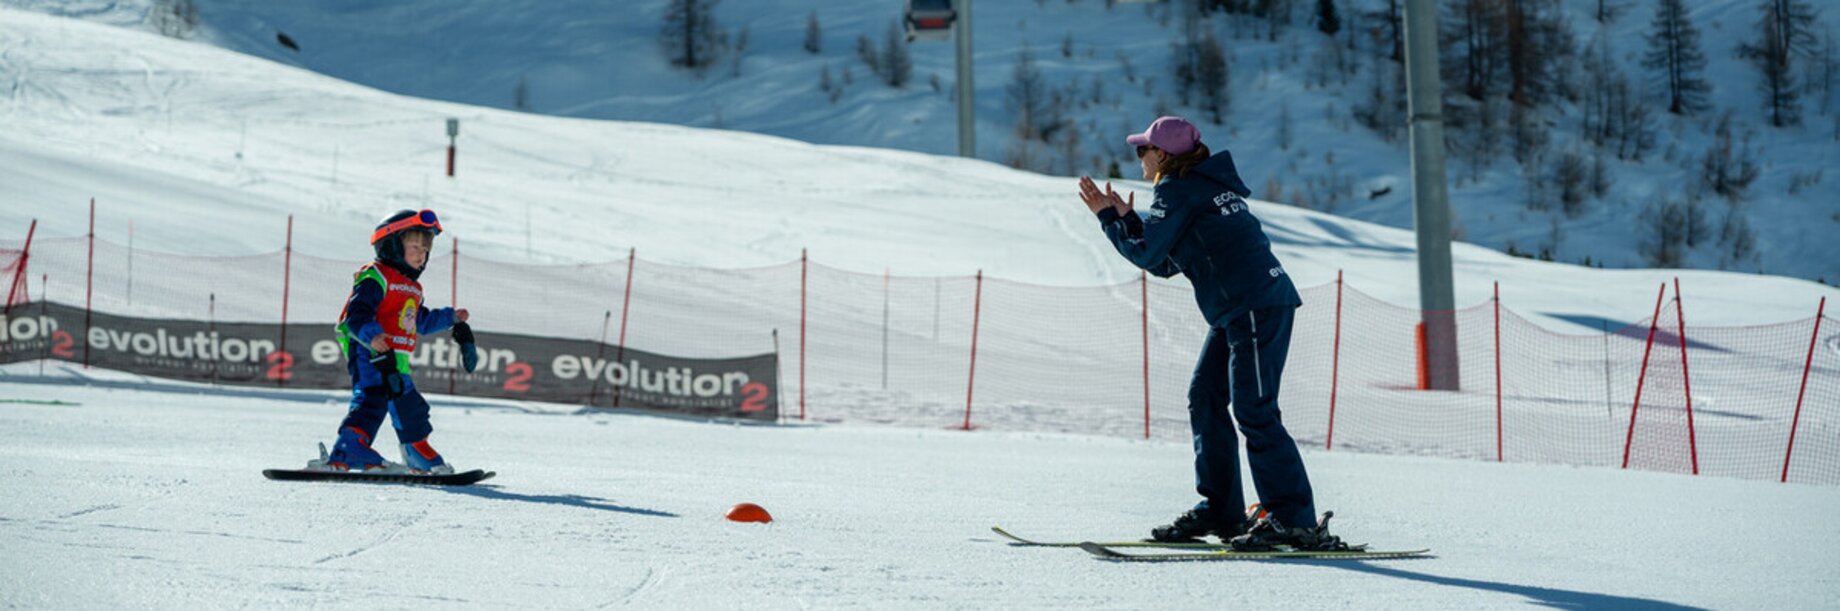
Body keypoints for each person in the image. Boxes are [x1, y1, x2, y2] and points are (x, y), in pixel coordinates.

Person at [1077, 116, 1342, 551]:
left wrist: (1109, 218)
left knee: (1256, 411)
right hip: (1243, 309)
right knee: (1205, 396)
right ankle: (1222, 509)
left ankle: (1294, 519)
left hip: (1253, 308)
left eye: (1142, 149)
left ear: (1162, 155)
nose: (1139, 157)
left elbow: (1147, 256)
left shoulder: (1177, 190)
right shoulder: (1202, 186)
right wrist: (1129, 222)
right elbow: (1165, 263)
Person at [321, 209, 474, 474]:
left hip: (396, 361)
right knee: (373, 398)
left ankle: (416, 451)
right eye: (414, 246)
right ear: (391, 245)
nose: (421, 254)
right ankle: (349, 448)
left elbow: (420, 321)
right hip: (369, 353)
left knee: (410, 405)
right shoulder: (375, 276)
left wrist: (451, 317)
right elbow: (356, 315)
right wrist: (373, 335)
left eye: (425, 250)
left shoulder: (413, 289)